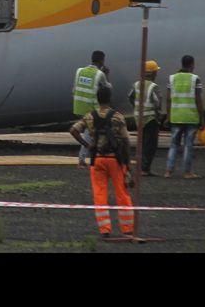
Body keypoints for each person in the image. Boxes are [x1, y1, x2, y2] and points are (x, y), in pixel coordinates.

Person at [70, 85, 134, 239]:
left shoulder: (90, 116)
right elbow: (125, 141)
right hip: (115, 160)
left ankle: (105, 229)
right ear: (110, 98)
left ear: (97, 99)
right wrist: (128, 166)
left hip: (97, 159)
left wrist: (87, 145)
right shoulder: (117, 116)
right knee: (122, 193)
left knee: (100, 194)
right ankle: (127, 228)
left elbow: (73, 130)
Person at [165, 55, 204, 179]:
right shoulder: (195, 79)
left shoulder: (172, 78)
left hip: (176, 116)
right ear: (192, 64)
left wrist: (168, 116)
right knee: (188, 145)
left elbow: (168, 99)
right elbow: (198, 100)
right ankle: (187, 172)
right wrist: (202, 119)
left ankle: (168, 171)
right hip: (191, 117)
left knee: (173, 144)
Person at [72, 51, 110, 168]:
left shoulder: (79, 71)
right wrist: (107, 75)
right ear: (102, 61)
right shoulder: (100, 74)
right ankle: (82, 160)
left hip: (79, 106)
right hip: (92, 108)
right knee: (90, 135)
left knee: (89, 134)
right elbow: (107, 89)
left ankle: (92, 158)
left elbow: (74, 89)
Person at [127, 60, 163, 176]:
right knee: (150, 145)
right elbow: (157, 102)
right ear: (152, 73)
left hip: (139, 118)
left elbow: (130, 97)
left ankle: (141, 167)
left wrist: (136, 107)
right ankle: (145, 169)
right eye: (156, 72)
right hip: (150, 119)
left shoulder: (136, 84)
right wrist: (158, 114)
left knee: (141, 143)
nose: (156, 74)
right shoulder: (153, 86)